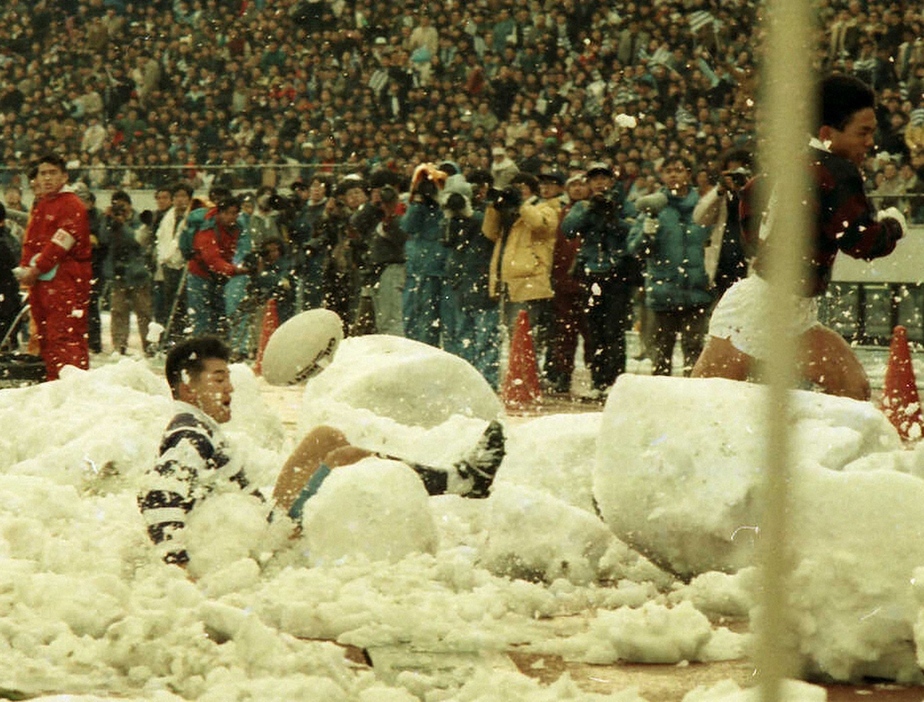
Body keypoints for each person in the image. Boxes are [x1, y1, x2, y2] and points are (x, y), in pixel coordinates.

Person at [138, 336, 505, 566]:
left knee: (324, 437)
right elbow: (157, 497)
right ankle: (461, 481)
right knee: (344, 458)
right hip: (253, 546)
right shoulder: (188, 434)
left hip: (259, 520)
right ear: (187, 389)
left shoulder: (197, 425)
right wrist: (177, 565)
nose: (230, 389)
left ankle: (459, 480)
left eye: (229, 378)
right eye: (218, 379)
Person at [692, 74, 906, 400]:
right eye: (862, 132)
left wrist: (765, 245)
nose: (869, 142)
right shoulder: (836, 170)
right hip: (763, 309)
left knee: (852, 389)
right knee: (703, 405)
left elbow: (750, 194)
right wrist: (893, 225)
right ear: (827, 134)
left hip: (784, 309)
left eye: (872, 132)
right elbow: (862, 242)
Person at [628, 157, 714, 377]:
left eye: (678, 170)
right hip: (663, 291)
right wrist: (646, 236)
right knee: (661, 352)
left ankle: (692, 398)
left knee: (694, 350)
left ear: (688, 174)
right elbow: (635, 250)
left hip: (697, 290)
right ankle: (661, 402)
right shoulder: (653, 207)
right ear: (662, 176)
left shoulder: (704, 207)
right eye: (668, 171)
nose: (673, 175)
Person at [560, 162, 640, 396]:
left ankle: (614, 381)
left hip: (617, 273)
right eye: (595, 179)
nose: (600, 183)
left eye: (604, 178)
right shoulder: (584, 205)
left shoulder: (624, 204)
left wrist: (613, 216)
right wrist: (590, 210)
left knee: (614, 329)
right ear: (589, 183)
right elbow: (568, 230)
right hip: (591, 271)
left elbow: (633, 231)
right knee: (594, 329)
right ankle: (598, 380)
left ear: (612, 181)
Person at [15, 153, 92, 380]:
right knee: (45, 335)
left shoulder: (71, 204)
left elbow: (61, 242)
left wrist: (36, 268)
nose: (47, 178)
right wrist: (24, 269)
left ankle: (73, 385)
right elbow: (31, 242)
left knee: (65, 334)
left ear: (64, 176)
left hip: (66, 278)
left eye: (52, 173)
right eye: (43, 173)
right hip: (42, 280)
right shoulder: (42, 204)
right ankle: (54, 381)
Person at [482, 172, 558, 379]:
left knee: (527, 335)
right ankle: (521, 377)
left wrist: (522, 205)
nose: (517, 190)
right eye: (514, 186)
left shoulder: (547, 208)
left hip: (529, 280)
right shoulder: (509, 212)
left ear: (532, 190)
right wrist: (494, 207)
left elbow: (540, 224)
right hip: (507, 280)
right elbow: (489, 232)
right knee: (512, 334)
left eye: (522, 186)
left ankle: (529, 379)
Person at [186, 195, 249, 337]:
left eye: (234, 213)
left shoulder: (237, 227)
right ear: (219, 213)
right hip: (200, 275)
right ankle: (201, 349)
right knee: (200, 317)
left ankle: (215, 346)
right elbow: (212, 259)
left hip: (220, 276)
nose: (231, 217)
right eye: (228, 213)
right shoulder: (207, 228)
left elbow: (241, 248)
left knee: (218, 316)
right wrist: (234, 270)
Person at [101, 193, 155, 356]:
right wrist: (108, 221)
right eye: (117, 205)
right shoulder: (110, 221)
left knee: (143, 311)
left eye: (123, 205)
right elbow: (103, 239)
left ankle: (149, 345)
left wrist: (122, 225)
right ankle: (119, 345)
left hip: (138, 273)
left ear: (130, 205)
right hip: (118, 273)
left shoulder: (140, 220)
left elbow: (136, 239)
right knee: (118, 311)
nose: (121, 209)